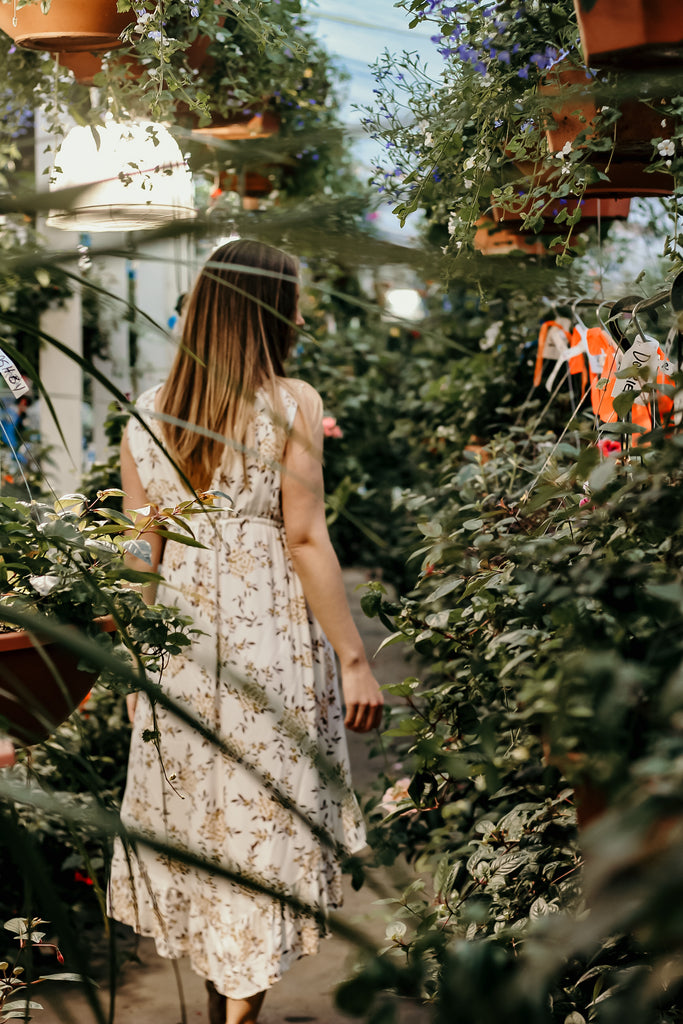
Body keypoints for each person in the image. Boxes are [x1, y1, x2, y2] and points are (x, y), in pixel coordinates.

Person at [107, 239, 384, 1024]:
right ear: (267, 310)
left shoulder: (145, 413)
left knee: (201, 828)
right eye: (291, 297)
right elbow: (303, 539)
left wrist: (133, 660)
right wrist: (355, 659)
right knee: (256, 832)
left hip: (177, 650)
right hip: (268, 652)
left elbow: (140, 551)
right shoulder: (290, 403)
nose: (301, 312)